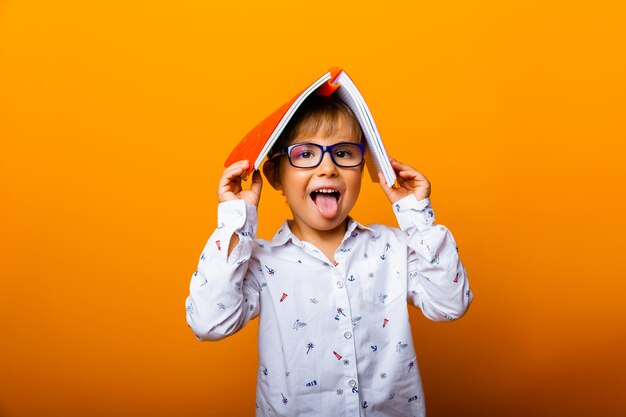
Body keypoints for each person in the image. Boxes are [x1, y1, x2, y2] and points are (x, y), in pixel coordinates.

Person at [185, 94, 473, 417]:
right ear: (275, 176)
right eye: (305, 153)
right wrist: (237, 217)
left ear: (364, 168)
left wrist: (415, 212)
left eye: (344, 153)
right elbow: (208, 322)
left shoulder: (392, 248)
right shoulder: (261, 264)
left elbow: (450, 304)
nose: (328, 168)